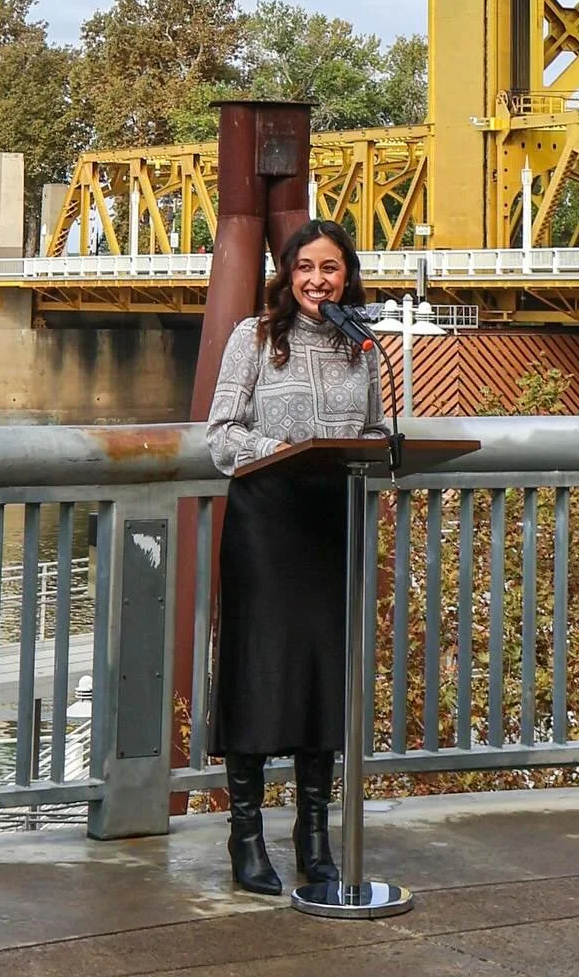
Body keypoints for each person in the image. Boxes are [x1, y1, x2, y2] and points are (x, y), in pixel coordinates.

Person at [205, 217, 387, 895]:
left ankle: (315, 836)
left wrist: (373, 452)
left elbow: (372, 426)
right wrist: (277, 454)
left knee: (323, 678)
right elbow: (222, 434)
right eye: (306, 267)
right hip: (265, 524)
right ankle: (245, 835)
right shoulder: (253, 338)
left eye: (331, 268)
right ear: (287, 272)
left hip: (329, 523)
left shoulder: (363, 345)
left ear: (348, 275)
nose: (318, 280)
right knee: (259, 671)